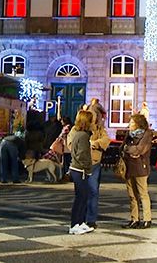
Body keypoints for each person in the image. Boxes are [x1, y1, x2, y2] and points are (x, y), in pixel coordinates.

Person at [70, 99, 110, 229]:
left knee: (92, 191)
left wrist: (96, 143)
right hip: (81, 166)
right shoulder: (77, 130)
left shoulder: (99, 128)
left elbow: (106, 140)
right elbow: (71, 143)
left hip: (94, 163)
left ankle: (90, 219)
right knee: (81, 194)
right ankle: (78, 221)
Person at [122, 114, 153, 229]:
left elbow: (139, 150)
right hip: (129, 167)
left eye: (131, 123)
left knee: (143, 193)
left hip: (141, 167)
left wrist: (128, 149)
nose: (129, 125)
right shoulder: (129, 135)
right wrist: (128, 149)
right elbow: (122, 147)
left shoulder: (146, 134)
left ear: (138, 124)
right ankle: (134, 219)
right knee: (132, 195)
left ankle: (147, 219)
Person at [67, 110, 94, 235]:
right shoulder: (83, 136)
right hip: (80, 170)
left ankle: (81, 222)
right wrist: (87, 167)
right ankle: (74, 224)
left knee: (84, 197)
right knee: (80, 197)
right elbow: (81, 154)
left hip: (79, 169)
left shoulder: (80, 134)